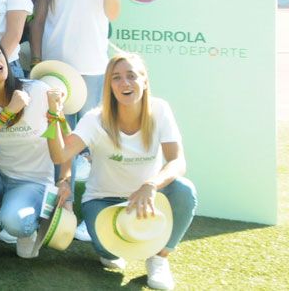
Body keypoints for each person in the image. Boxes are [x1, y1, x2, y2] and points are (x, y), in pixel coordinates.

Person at [45, 53, 196, 290]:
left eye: (131, 76)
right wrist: (53, 116)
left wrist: (151, 185)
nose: (124, 83)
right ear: (109, 86)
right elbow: (60, 155)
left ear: (144, 81)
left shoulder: (160, 109)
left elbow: (178, 162)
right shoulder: (96, 119)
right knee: (110, 257)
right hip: (103, 201)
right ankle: (108, 247)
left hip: (147, 197)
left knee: (185, 190)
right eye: (116, 78)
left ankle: (159, 258)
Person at [0, 35, 68, 268]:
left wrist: (65, 181)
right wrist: (7, 112)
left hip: (33, 183)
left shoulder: (38, 91)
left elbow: (65, 144)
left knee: (15, 225)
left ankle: (26, 225)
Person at [31, 0, 124, 173]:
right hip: (55, 68)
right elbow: (38, 21)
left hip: (91, 67)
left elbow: (114, 14)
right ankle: (61, 203)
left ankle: (89, 207)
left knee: (91, 142)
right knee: (57, 139)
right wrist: (36, 60)